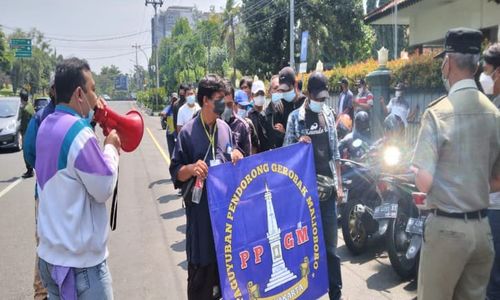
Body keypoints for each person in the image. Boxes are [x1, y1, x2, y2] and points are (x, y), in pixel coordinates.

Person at [411, 28, 500, 300]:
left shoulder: (437, 114)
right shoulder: (494, 114)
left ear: (448, 62)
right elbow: (497, 179)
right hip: (482, 230)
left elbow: (423, 181)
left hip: (447, 230)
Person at [36, 57, 121, 299]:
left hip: (50, 259)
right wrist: (111, 148)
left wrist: (92, 121)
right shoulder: (78, 133)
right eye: (92, 89)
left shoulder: (47, 125)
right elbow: (104, 186)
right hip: (81, 266)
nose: (96, 96)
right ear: (78, 94)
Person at [169, 74, 243, 300]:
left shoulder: (225, 129)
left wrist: (237, 155)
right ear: (205, 100)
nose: (224, 103)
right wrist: (191, 168)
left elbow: (231, 157)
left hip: (225, 222)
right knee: (202, 283)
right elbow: (176, 172)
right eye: (219, 98)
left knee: (227, 283)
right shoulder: (188, 133)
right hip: (200, 220)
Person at [284, 71, 343, 300]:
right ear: (308, 94)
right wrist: (298, 145)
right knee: (304, 250)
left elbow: (335, 154)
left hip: (327, 193)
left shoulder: (328, 115)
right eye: (317, 98)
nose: (320, 102)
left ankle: (336, 294)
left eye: (323, 98)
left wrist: (339, 186)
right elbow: (286, 154)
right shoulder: (295, 118)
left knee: (331, 250)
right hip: (304, 195)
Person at [23, 79, 56, 300]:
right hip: (54, 193)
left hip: (44, 190)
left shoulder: (41, 116)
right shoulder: (76, 116)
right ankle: (44, 290)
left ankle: (42, 291)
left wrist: (43, 169)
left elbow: (29, 152)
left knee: (43, 240)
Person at [482, 42, 500, 300]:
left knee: (493, 281)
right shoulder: (494, 103)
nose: (485, 77)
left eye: (488, 71)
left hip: (496, 207)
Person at [265, 67, 306, 148]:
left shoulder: (305, 104)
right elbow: (276, 139)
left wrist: (287, 132)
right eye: (282, 90)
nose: (285, 93)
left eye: (287, 89)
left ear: (295, 85)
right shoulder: (280, 107)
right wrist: (283, 134)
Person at [221, 86, 252, 157]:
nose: (226, 109)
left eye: (229, 104)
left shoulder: (242, 126)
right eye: (223, 105)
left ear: (233, 103)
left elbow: (248, 159)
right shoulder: (212, 124)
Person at [248, 80, 272, 153]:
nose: (260, 96)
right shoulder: (249, 116)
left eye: (262, 93)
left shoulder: (269, 113)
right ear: (252, 95)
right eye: (257, 94)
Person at [19, 89, 34, 178]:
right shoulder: (30, 106)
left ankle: (29, 170)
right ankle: (30, 169)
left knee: (26, 152)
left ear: (22, 99)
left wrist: (21, 133)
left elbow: (23, 124)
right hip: (31, 132)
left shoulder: (25, 110)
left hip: (26, 133)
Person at [162, 92, 178, 157]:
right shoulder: (169, 108)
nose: (174, 101)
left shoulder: (179, 107)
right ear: (171, 99)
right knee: (171, 154)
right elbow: (162, 113)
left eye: (175, 99)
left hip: (177, 134)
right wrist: (165, 114)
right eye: (173, 99)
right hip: (170, 134)